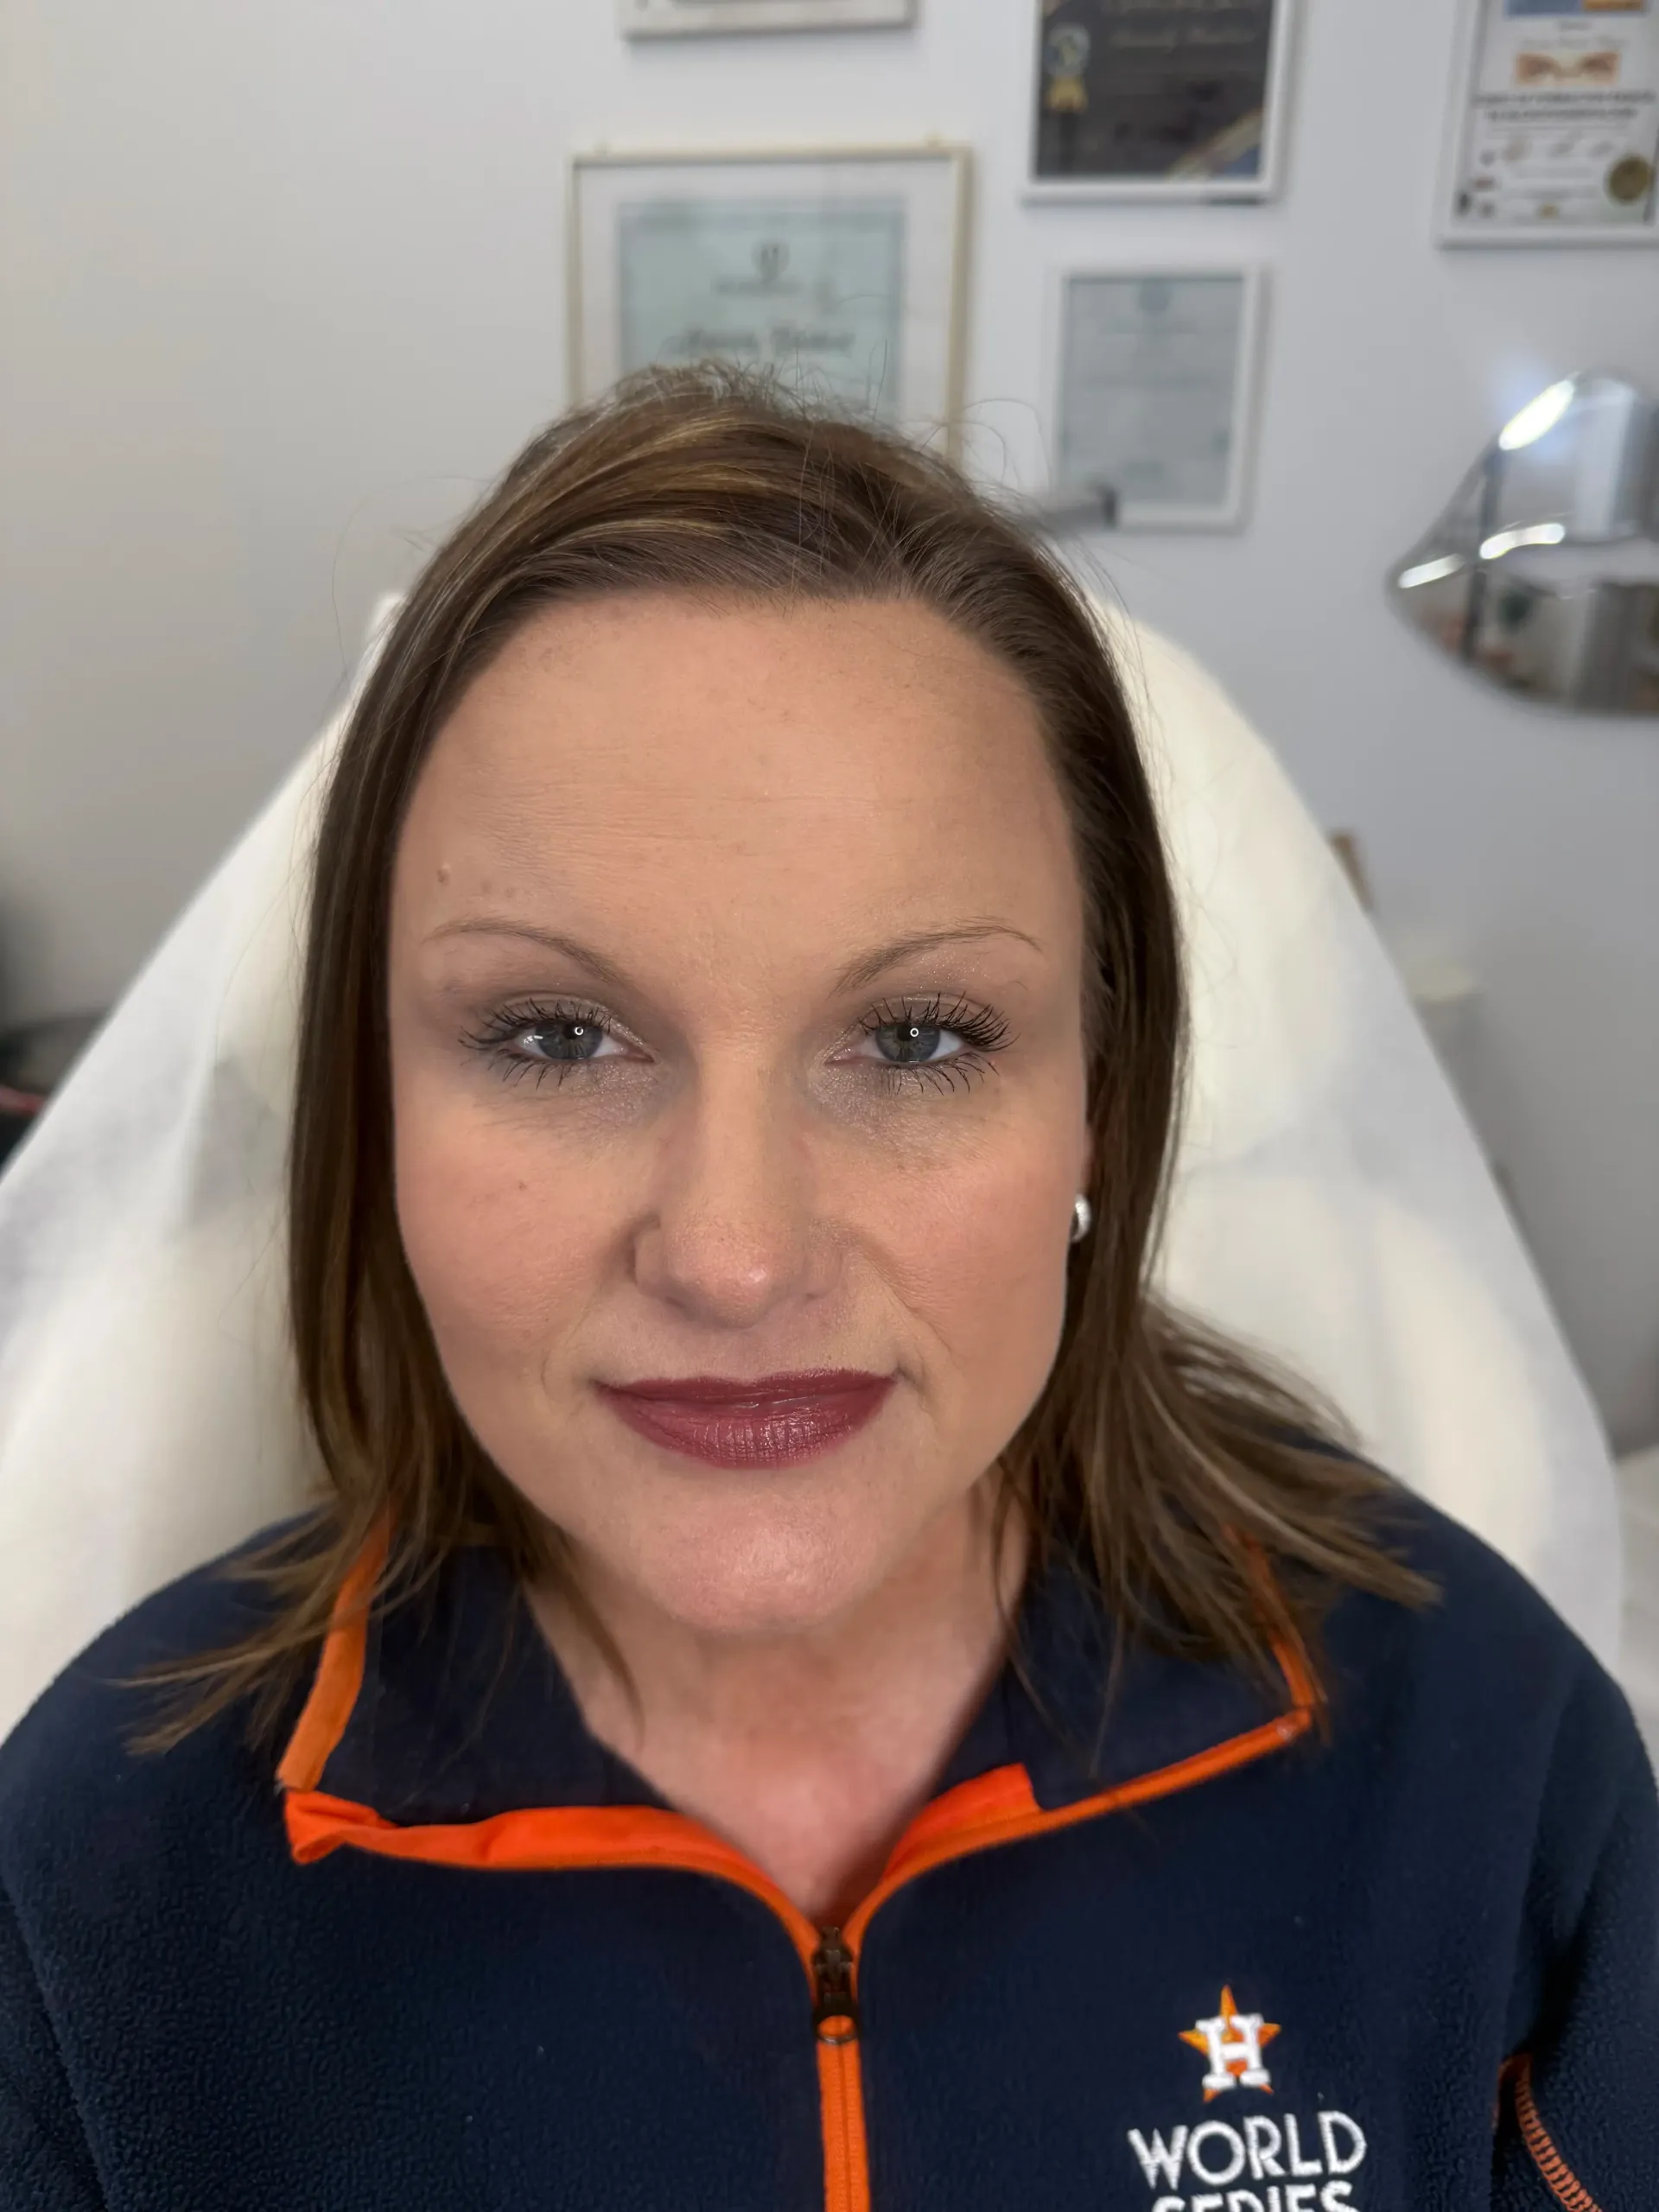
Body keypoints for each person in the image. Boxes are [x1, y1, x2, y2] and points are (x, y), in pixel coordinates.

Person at [1, 368, 1652, 2211]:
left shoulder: (1481, 1760)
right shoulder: (105, 1876)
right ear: (374, 1110)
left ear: (1103, 1098)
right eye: (554, 1032)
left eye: (920, 1034)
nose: (734, 1253)